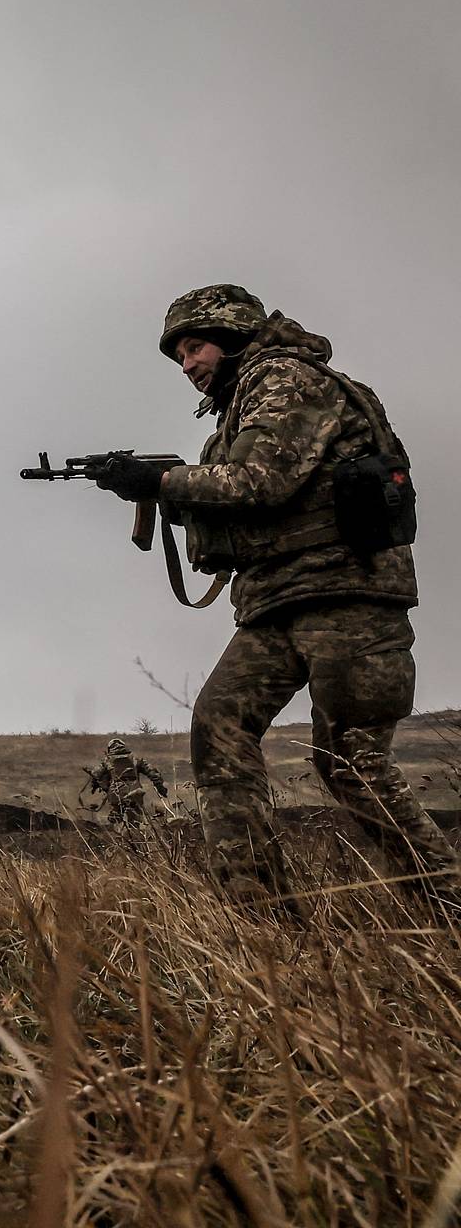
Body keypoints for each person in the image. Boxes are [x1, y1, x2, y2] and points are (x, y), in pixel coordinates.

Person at [91, 283, 460, 915]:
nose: (187, 365)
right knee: (219, 725)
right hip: (276, 600)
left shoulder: (286, 379)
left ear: (232, 337)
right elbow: (240, 506)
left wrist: (160, 478)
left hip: (346, 594)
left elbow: (260, 481)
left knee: (351, 759)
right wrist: (157, 491)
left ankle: (448, 907)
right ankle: (259, 914)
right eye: (179, 355)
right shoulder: (239, 407)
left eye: (196, 347)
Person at [82, 737, 168, 825]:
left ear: (109, 749)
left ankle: (115, 829)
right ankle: (135, 831)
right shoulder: (135, 759)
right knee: (136, 819)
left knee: (116, 817)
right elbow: (153, 773)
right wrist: (160, 787)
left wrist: (95, 785)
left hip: (116, 792)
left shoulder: (107, 760)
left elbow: (95, 774)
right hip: (135, 791)